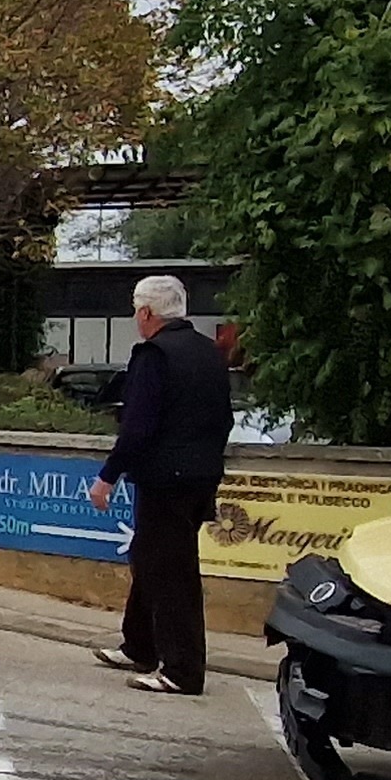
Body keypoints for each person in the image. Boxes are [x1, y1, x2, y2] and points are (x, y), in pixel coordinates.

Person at [90, 273, 232, 695]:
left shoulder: (154, 354)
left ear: (147, 312)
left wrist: (107, 476)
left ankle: (182, 670)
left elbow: (138, 424)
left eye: (137, 311)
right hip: (201, 475)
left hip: (165, 477)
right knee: (150, 557)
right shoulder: (209, 353)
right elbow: (224, 417)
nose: (137, 318)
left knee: (172, 572)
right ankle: (140, 645)